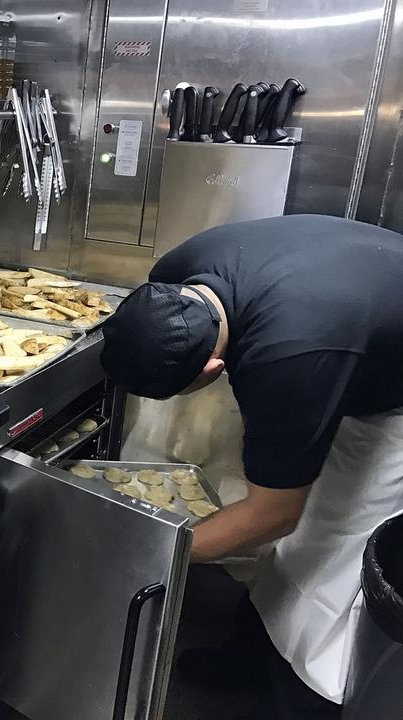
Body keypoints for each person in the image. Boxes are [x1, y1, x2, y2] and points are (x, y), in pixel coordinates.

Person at [99, 214, 403, 719]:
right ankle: (246, 657)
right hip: (355, 325)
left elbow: (275, 514)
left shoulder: (292, 356)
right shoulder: (177, 270)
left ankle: (303, 701)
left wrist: (152, 549)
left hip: (393, 399)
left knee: (337, 550)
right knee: (297, 539)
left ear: (214, 369)